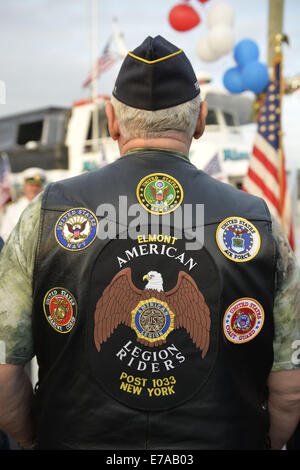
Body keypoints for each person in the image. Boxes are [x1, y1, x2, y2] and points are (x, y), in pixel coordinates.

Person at [0, 36, 300, 451]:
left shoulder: (47, 212)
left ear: (112, 119)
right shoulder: (257, 224)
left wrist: (38, 440)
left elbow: (5, 370)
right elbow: (290, 386)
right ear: (200, 120)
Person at [0, 167, 46, 241]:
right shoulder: (12, 210)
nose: (34, 189)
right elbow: (5, 235)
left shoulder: (48, 208)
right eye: (31, 185)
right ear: (24, 186)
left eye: (38, 186)